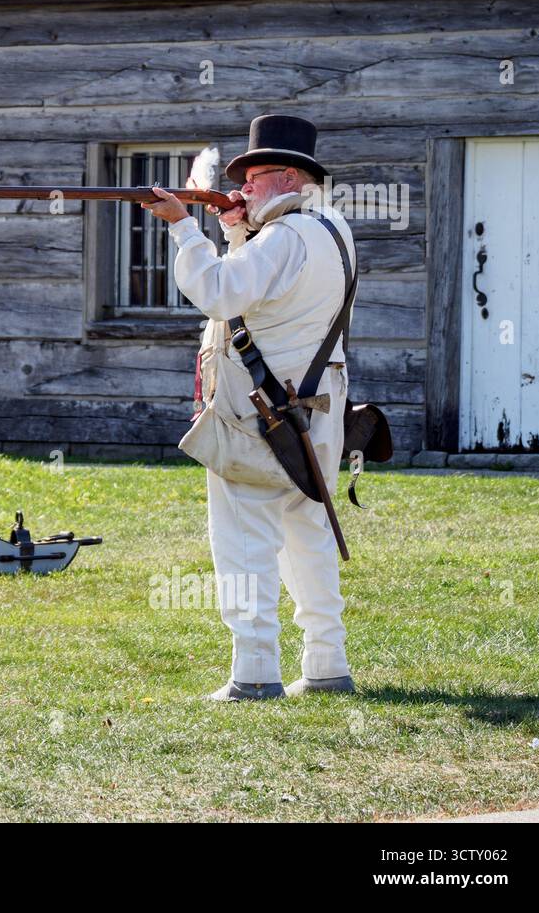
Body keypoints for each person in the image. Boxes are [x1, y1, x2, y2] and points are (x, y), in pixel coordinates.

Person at [142, 115, 357, 701]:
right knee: (308, 534)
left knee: (243, 542)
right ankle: (327, 664)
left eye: (254, 177)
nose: (243, 187)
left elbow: (218, 292)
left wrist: (185, 228)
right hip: (315, 411)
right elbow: (260, 292)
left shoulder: (285, 237)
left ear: (288, 177)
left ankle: (255, 673)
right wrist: (238, 230)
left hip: (259, 414)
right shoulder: (327, 227)